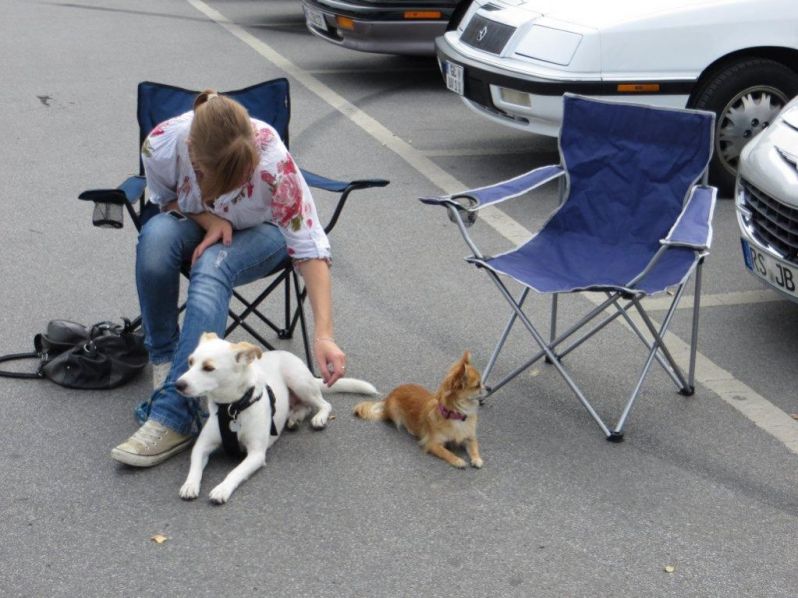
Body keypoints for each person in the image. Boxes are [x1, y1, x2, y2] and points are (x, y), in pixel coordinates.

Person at [110, 89, 346, 467]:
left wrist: (324, 335)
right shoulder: (161, 145)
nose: (215, 188)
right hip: (198, 222)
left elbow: (309, 246)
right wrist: (210, 218)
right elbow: (165, 200)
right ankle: (168, 363)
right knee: (154, 240)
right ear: (191, 148)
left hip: (263, 232)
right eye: (206, 175)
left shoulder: (273, 160)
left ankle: (173, 416)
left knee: (213, 264)